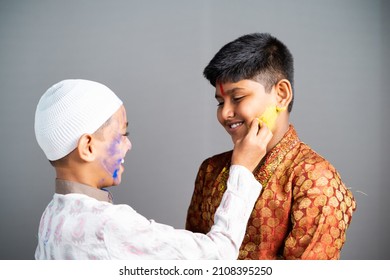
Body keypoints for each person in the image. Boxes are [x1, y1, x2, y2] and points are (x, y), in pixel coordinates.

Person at [34, 79, 273, 260]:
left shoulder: (51, 217)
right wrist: (241, 169)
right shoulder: (108, 226)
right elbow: (217, 257)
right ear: (87, 147)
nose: (129, 144)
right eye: (122, 134)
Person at [185, 33, 357, 260]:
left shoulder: (316, 179)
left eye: (237, 98)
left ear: (281, 95)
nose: (225, 113)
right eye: (220, 102)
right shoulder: (210, 170)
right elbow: (192, 262)